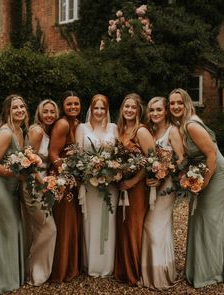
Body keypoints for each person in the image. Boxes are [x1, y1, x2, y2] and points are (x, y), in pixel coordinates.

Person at [168, 88, 224, 288]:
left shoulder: (191, 124)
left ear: (187, 104)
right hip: (204, 173)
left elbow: (211, 156)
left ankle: (212, 271)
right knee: (198, 219)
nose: (175, 106)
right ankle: (201, 268)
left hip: (215, 174)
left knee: (209, 219)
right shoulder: (182, 124)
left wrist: (203, 184)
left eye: (179, 103)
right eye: (172, 103)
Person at [141, 96, 184, 289]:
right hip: (151, 184)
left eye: (158, 109)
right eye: (152, 110)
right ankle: (160, 271)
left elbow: (181, 159)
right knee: (159, 227)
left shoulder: (172, 131)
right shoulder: (150, 131)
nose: (155, 113)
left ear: (166, 111)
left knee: (153, 226)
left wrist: (164, 173)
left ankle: (159, 276)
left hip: (167, 186)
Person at [0, 94, 28, 294]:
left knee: (13, 228)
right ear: (7, 111)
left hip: (10, 186)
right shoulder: (5, 133)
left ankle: (12, 275)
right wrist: (18, 175)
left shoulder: (20, 130)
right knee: (6, 229)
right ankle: (1, 281)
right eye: (15, 108)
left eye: (22, 106)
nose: (20, 110)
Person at [75, 94, 118, 277]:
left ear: (107, 110)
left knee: (109, 220)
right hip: (90, 183)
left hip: (111, 184)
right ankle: (91, 264)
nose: (99, 112)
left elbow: (119, 154)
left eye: (103, 108)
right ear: (90, 109)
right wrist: (89, 171)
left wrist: (114, 170)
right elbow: (77, 156)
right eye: (96, 108)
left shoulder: (114, 128)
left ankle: (107, 265)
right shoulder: (82, 128)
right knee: (91, 221)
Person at [114, 93, 154, 286]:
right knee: (122, 226)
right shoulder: (121, 130)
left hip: (136, 188)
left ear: (139, 111)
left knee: (132, 227)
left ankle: (134, 273)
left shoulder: (141, 131)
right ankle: (122, 270)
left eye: (133, 107)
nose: (129, 110)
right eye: (126, 107)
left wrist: (133, 181)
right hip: (121, 186)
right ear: (122, 109)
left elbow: (152, 161)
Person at [23, 99, 59, 286]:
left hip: (44, 185)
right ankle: (34, 273)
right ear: (39, 113)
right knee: (49, 229)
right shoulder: (36, 131)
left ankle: (31, 272)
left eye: (53, 111)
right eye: (46, 111)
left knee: (38, 230)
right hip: (32, 186)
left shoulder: (48, 131)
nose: (49, 115)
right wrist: (42, 181)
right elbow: (27, 161)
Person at [49, 90, 82, 282]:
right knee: (65, 223)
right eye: (69, 104)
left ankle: (72, 266)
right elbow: (53, 154)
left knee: (73, 222)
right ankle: (61, 270)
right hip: (62, 181)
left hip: (73, 180)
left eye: (76, 104)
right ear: (63, 106)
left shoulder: (76, 124)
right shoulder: (62, 124)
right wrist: (67, 176)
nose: (73, 107)